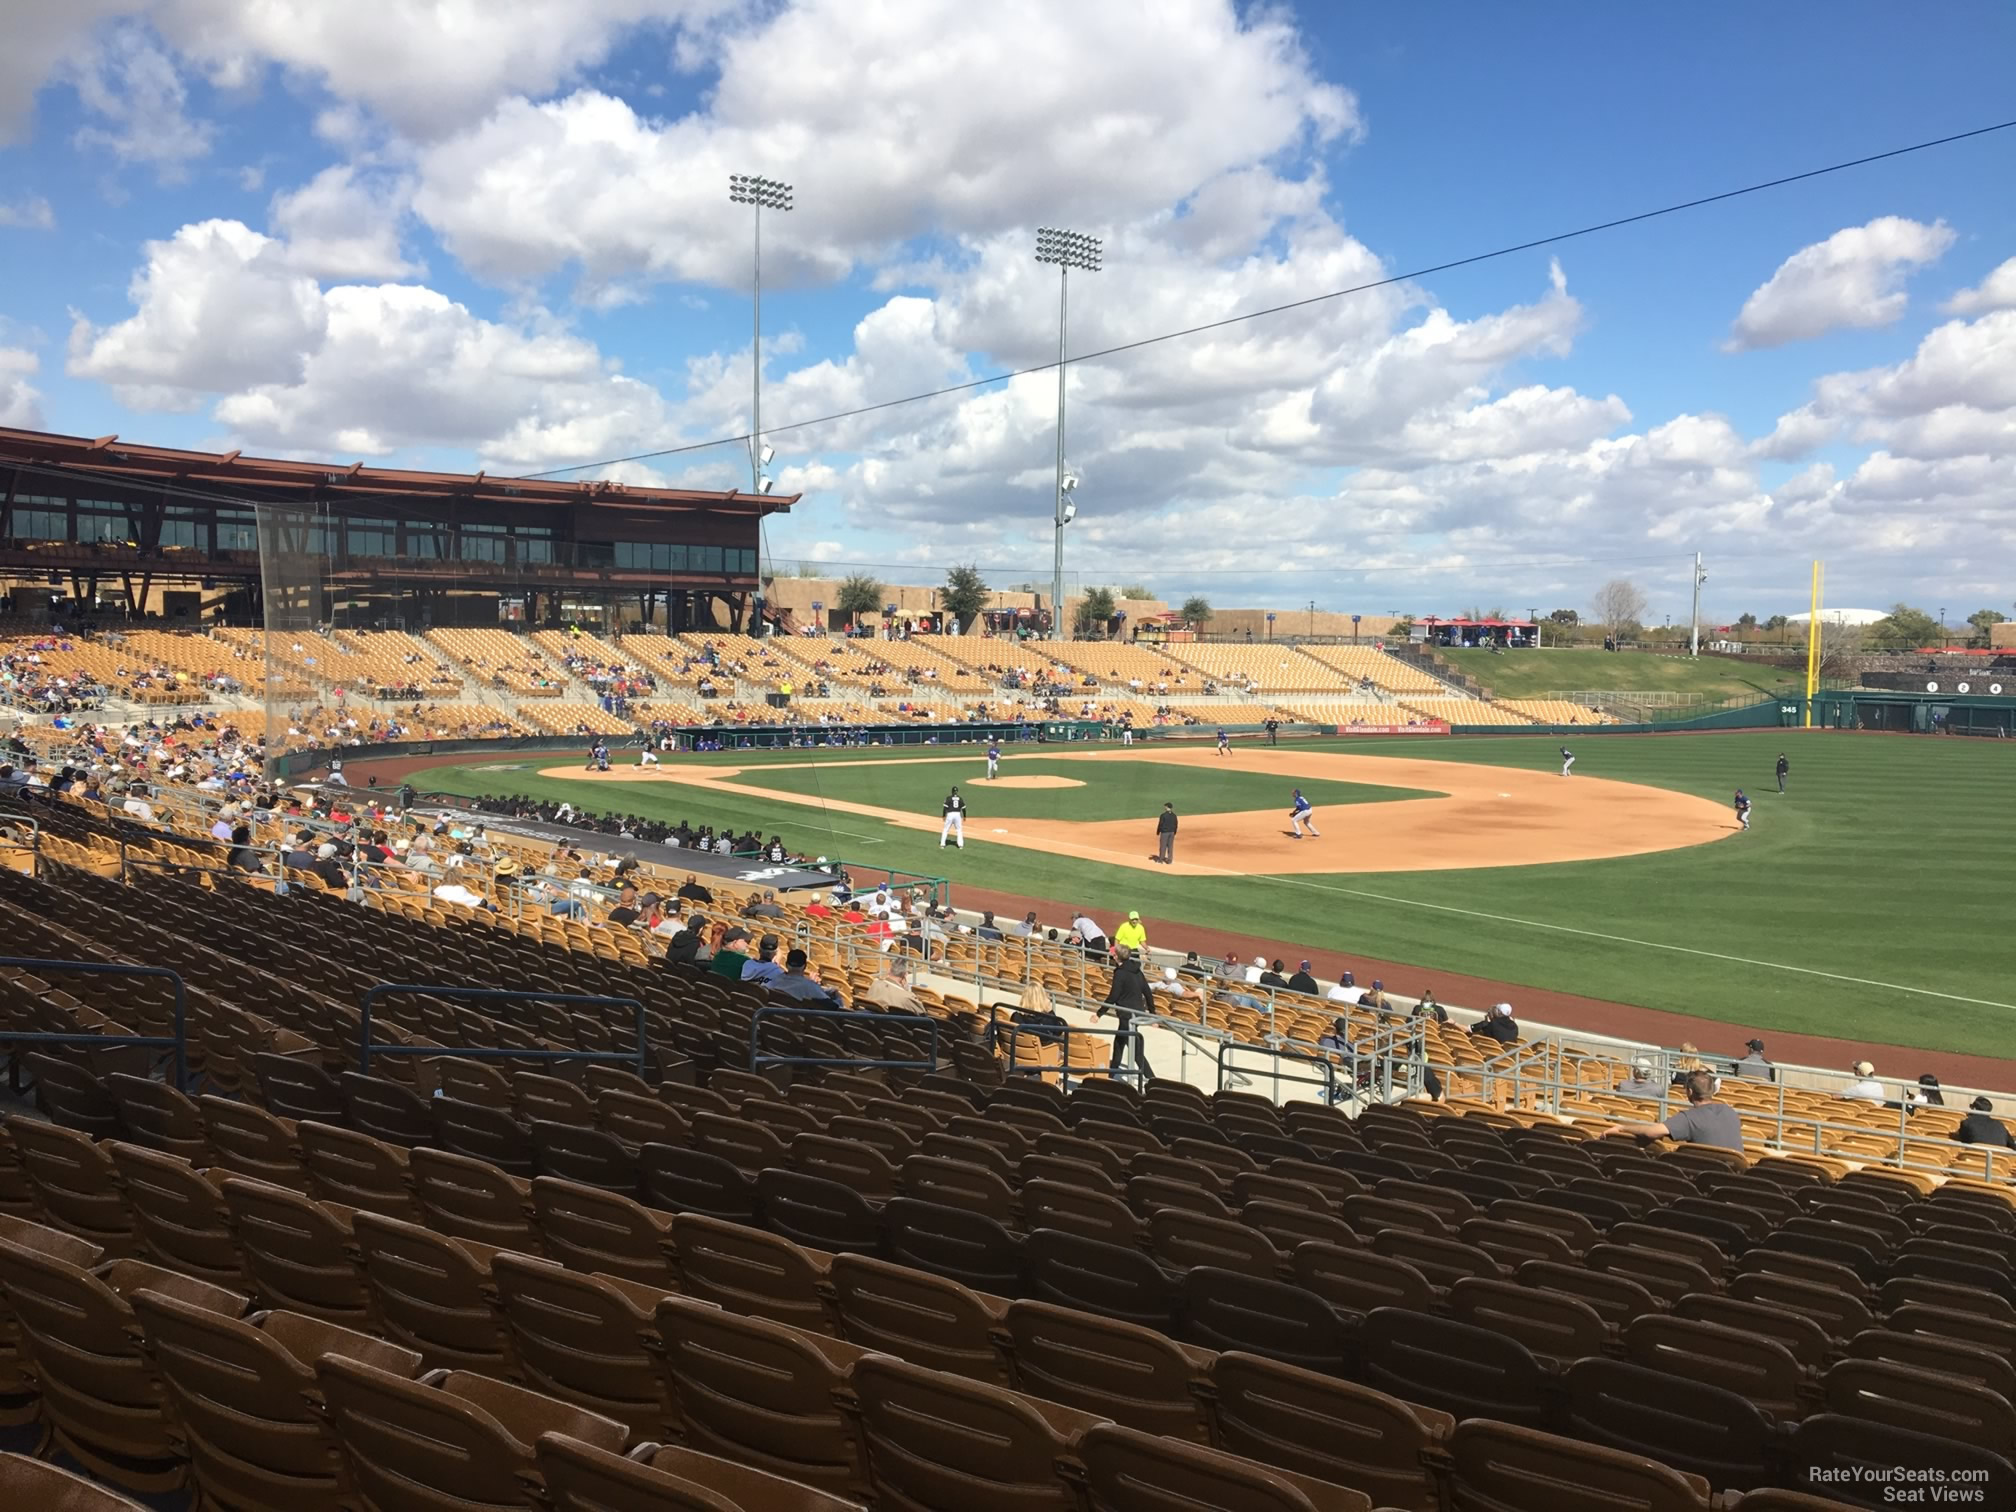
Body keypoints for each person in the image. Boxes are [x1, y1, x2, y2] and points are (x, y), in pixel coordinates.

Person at [1600, 1070, 1743, 1150]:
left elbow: (1652, 1132)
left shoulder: (1689, 1117)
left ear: (1690, 1092)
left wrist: (1622, 1128)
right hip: (1735, 1179)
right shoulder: (1730, 1112)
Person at [1098, 946, 1154, 1082]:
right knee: (1119, 1041)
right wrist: (1152, 1013)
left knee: (1135, 1051)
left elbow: (1114, 996)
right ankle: (1113, 1071)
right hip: (1136, 1012)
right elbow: (1147, 992)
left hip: (1126, 1015)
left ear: (1117, 957)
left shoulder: (1120, 973)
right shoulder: (1137, 971)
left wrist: (1099, 1013)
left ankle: (1152, 1079)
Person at [768, 948, 844, 1008]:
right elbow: (833, 1006)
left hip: (779, 1018)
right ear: (804, 966)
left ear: (786, 965)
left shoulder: (775, 979)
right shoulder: (809, 986)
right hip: (797, 1022)